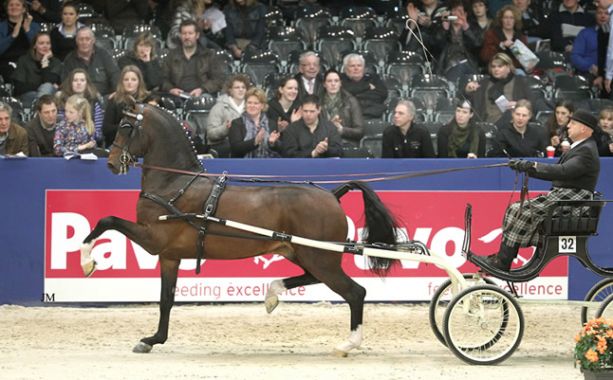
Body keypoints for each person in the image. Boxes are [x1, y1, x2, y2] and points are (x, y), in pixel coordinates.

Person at [472, 109, 601, 271]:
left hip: (573, 200)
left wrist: (532, 166)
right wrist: (528, 167)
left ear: (584, 129)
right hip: (565, 197)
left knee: (523, 210)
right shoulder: (581, 147)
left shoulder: (587, 151)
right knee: (515, 209)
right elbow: (561, 171)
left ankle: (503, 261)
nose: (568, 126)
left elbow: (563, 171)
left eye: (573, 123)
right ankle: (503, 258)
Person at [161, 19, 225, 102]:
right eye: (184, 33)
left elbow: (218, 79)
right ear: (180, 35)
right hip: (177, 96)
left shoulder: (209, 55)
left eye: (190, 33)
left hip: (202, 95)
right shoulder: (171, 56)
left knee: (205, 99)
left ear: (197, 35)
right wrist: (171, 89)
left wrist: (202, 89)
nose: (187, 37)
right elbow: (163, 79)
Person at [464, 52, 534, 123]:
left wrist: (518, 105)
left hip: (511, 124)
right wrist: (468, 91)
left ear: (508, 67)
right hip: (486, 124)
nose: (496, 69)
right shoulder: (484, 83)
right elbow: (472, 104)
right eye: (493, 66)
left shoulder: (520, 81)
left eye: (500, 66)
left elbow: (533, 104)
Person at [432, 0, 481, 83]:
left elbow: (477, 46)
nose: (456, 14)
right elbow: (435, 47)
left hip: (468, 63)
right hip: (446, 64)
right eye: (454, 11)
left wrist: (466, 27)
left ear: (465, 14)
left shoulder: (473, 27)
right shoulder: (441, 27)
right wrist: (444, 29)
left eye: (459, 11)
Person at [62, 27, 120, 96]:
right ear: (76, 41)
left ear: (93, 40)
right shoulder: (70, 59)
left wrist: (117, 92)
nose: (84, 42)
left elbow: (115, 75)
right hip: (79, 98)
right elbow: (65, 83)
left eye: (87, 39)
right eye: (81, 39)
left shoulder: (104, 54)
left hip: (104, 98)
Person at [102, 65, 150, 147]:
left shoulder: (148, 99)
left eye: (133, 80)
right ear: (121, 82)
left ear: (139, 82)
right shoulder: (114, 100)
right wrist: (126, 127)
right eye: (126, 80)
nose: (129, 82)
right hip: (119, 144)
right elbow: (106, 129)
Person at [11, 31, 62, 107]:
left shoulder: (56, 62)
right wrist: (40, 87)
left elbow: (48, 83)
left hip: (50, 98)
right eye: (41, 43)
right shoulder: (24, 60)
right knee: (38, 92)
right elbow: (19, 87)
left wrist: (45, 62)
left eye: (48, 43)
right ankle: (40, 110)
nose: (45, 46)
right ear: (34, 46)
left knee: (48, 87)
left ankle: (39, 110)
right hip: (28, 96)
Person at [206, 73, 250, 158]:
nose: (241, 90)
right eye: (237, 87)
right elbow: (211, 134)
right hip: (225, 146)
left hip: (246, 145)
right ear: (230, 90)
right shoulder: (219, 107)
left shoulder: (251, 106)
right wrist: (225, 128)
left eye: (243, 87)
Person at [56, 68, 104, 145]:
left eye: (82, 80)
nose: (79, 83)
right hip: (66, 145)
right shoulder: (62, 100)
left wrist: (87, 137)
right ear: (70, 83)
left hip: (90, 145)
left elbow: (98, 133)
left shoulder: (94, 101)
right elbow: (60, 127)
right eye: (75, 80)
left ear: (86, 83)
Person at [228, 88, 281, 158]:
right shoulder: (237, 123)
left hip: (267, 164)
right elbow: (235, 148)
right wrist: (255, 141)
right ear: (245, 104)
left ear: (262, 106)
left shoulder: (271, 123)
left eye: (256, 103)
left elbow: (280, 149)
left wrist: (272, 143)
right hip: (243, 165)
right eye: (249, 102)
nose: (252, 106)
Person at [319, 68, 364, 147]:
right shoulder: (317, 102)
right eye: (329, 81)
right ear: (324, 84)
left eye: (336, 81)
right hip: (322, 143)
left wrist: (342, 130)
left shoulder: (351, 101)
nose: (333, 84)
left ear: (340, 83)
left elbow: (360, 131)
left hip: (346, 143)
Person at [479, 5, 530, 70]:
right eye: (505, 17)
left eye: (511, 18)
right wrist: (501, 46)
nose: (508, 21)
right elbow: (485, 57)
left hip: (515, 69)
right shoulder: (491, 34)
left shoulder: (521, 37)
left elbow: (527, 60)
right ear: (501, 19)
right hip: (496, 68)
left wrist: (516, 50)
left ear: (515, 20)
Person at [0, 0, 41, 80]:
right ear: (7, 8)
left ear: (24, 9)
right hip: (5, 64)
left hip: (28, 64)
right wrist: (13, 36)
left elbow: (40, 48)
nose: (14, 7)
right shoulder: (1, 26)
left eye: (17, 5)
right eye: (11, 5)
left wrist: (28, 30)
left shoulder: (34, 26)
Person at [340, 53, 387, 119]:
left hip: (372, 115)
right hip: (348, 117)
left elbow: (383, 94)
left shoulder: (373, 78)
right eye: (352, 66)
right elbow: (342, 94)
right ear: (345, 68)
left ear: (364, 68)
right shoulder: (340, 79)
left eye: (359, 65)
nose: (356, 68)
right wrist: (366, 87)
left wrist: (355, 94)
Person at [571, 6, 609, 82]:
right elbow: (575, 56)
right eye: (599, 13)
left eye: (606, 13)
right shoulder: (585, 33)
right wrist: (590, 67)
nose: (603, 16)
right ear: (595, 15)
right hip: (588, 73)